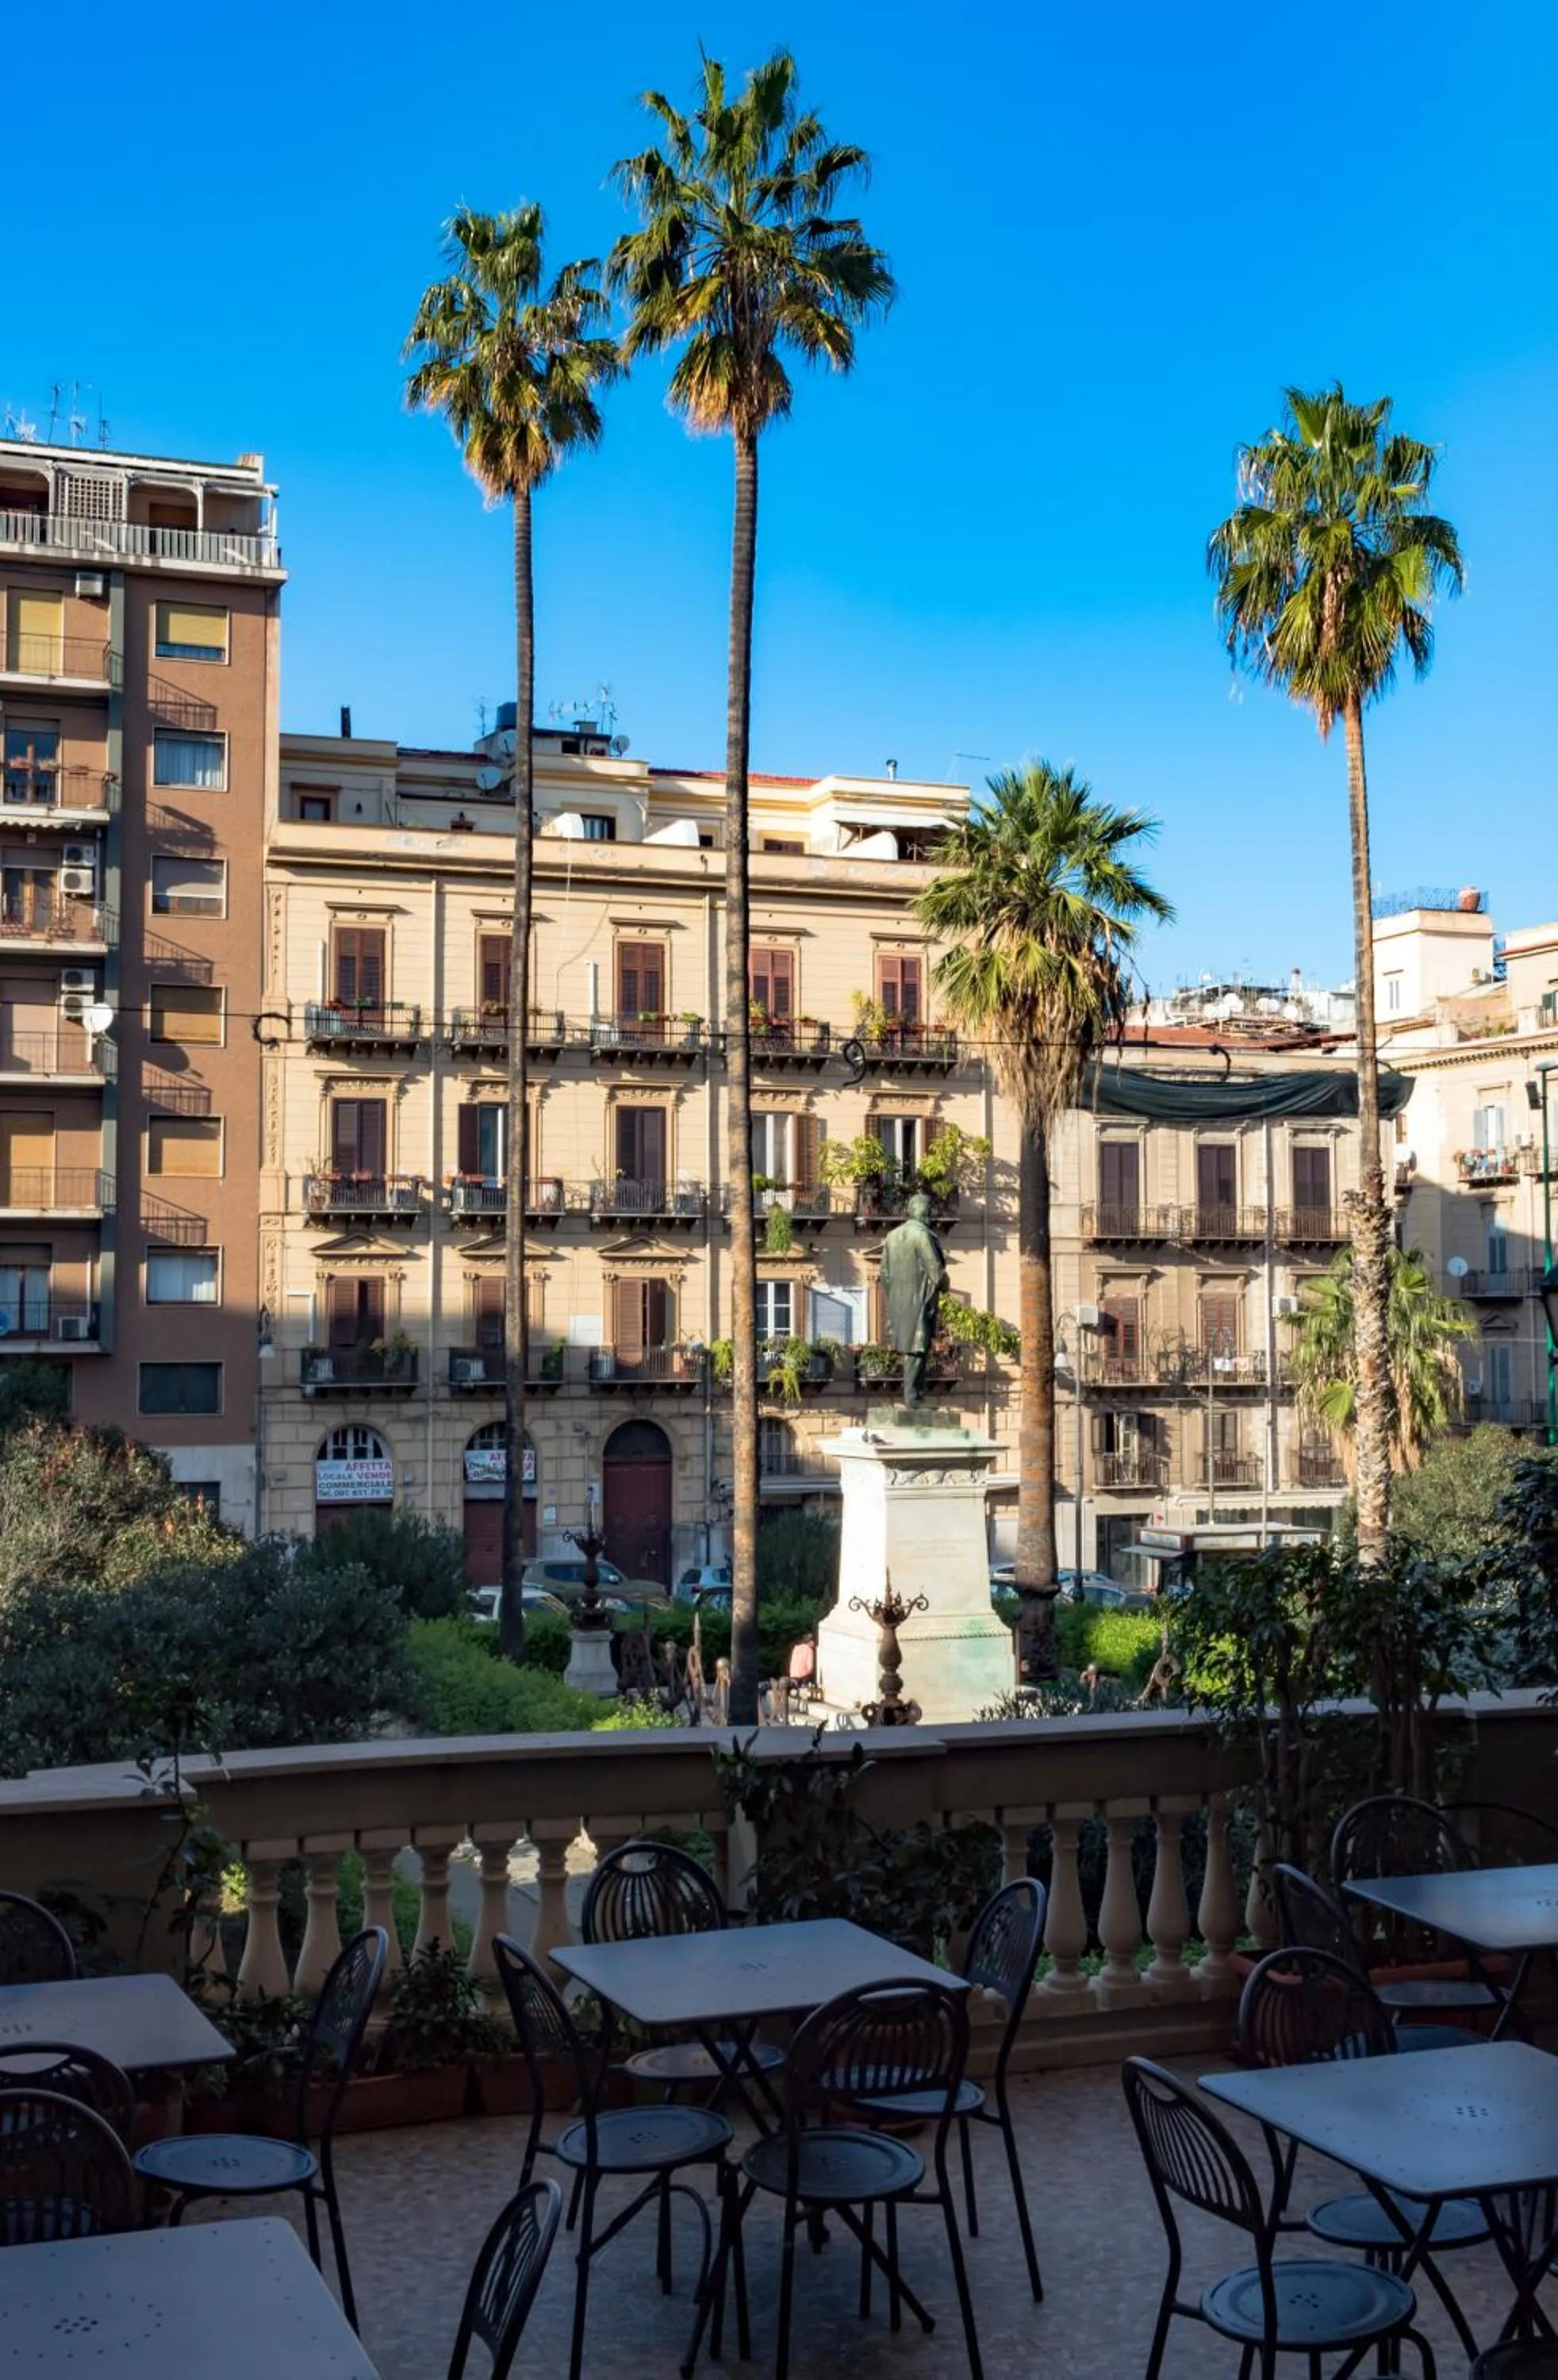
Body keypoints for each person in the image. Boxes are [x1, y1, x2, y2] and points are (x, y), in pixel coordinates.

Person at [878, 1192, 949, 1405]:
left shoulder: (892, 1236)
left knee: (911, 1349)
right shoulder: (922, 1235)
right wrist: (945, 1285)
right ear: (921, 1211)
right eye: (928, 1210)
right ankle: (913, 1396)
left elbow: (884, 1273)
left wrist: (895, 1297)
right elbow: (934, 1269)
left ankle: (913, 1395)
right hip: (920, 1301)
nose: (930, 1214)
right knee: (918, 1349)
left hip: (900, 1302)